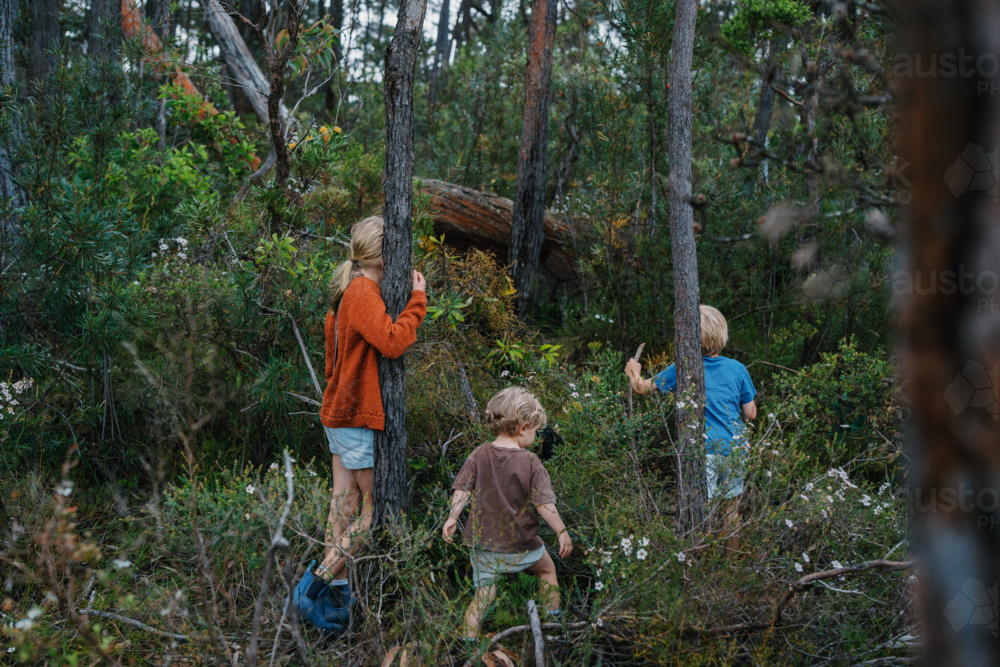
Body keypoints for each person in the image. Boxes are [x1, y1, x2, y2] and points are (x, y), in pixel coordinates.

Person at [294, 216, 428, 633]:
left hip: (338, 413)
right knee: (372, 512)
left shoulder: (347, 290)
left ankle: (338, 599)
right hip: (352, 418)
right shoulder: (362, 291)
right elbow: (391, 341)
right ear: (384, 255)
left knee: (343, 506)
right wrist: (418, 300)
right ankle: (309, 592)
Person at [442, 387, 573, 647]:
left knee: (484, 594)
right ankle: (552, 625)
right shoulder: (531, 462)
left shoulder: (479, 453)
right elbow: (544, 503)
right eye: (535, 431)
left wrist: (452, 517)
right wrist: (561, 531)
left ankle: (466, 643)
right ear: (523, 427)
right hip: (521, 544)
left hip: (484, 545)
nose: (534, 438)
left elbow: (462, 488)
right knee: (547, 570)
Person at [624, 305, 756, 550]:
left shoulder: (682, 367)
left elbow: (642, 388)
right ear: (722, 335)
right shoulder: (738, 368)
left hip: (702, 452)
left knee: (698, 510)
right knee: (731, 511)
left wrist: (634, 373)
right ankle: (731, 563)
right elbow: (750, 413)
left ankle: (699, 561)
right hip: (734, 451)